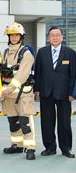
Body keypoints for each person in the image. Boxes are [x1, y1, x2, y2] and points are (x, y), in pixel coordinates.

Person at [34, 26, 76, 158]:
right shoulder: (42, 52)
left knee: (64, 122)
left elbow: (73, 74)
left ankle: (66, 148)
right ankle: (50, 147)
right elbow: (38, 72)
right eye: (52, 35)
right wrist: (37, 90)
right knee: (47, 121)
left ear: (62, 37)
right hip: (46, 92)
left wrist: (72, 93)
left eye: (58, 35)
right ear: (48, 37)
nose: (55, 37)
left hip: (64, 93)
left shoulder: (70, 52)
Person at [0, 22, 36, 160]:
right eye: (11, 35)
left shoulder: (26, 53)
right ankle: (17, 145)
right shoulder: (5, 52)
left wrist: (8, 89)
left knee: (25, 122)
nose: (13, 37)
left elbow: (21, 75)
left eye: (16, 35)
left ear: (21, 36)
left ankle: (30, 148)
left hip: (23, 95)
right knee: (13, 122)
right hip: (9, 96)